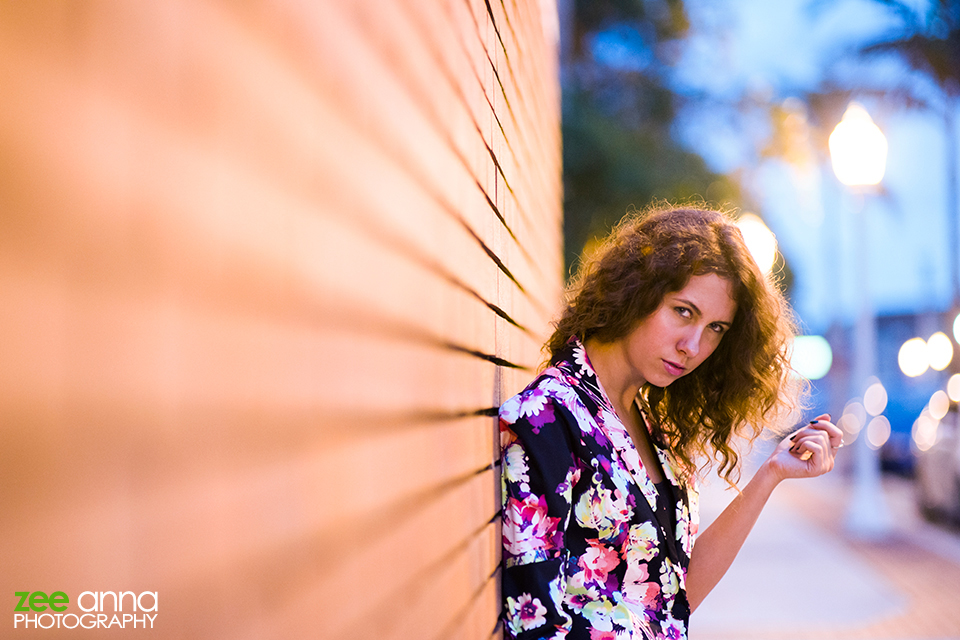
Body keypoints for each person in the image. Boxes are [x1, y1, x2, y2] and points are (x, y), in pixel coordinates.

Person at [499, 207, 842, 640]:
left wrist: (771, 473)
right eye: (683, 311)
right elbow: (533, 625)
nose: (693, 345)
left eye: (716, 327)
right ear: (636, 292)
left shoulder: (649, 425)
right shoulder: (547, 417)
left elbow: (673, 597)